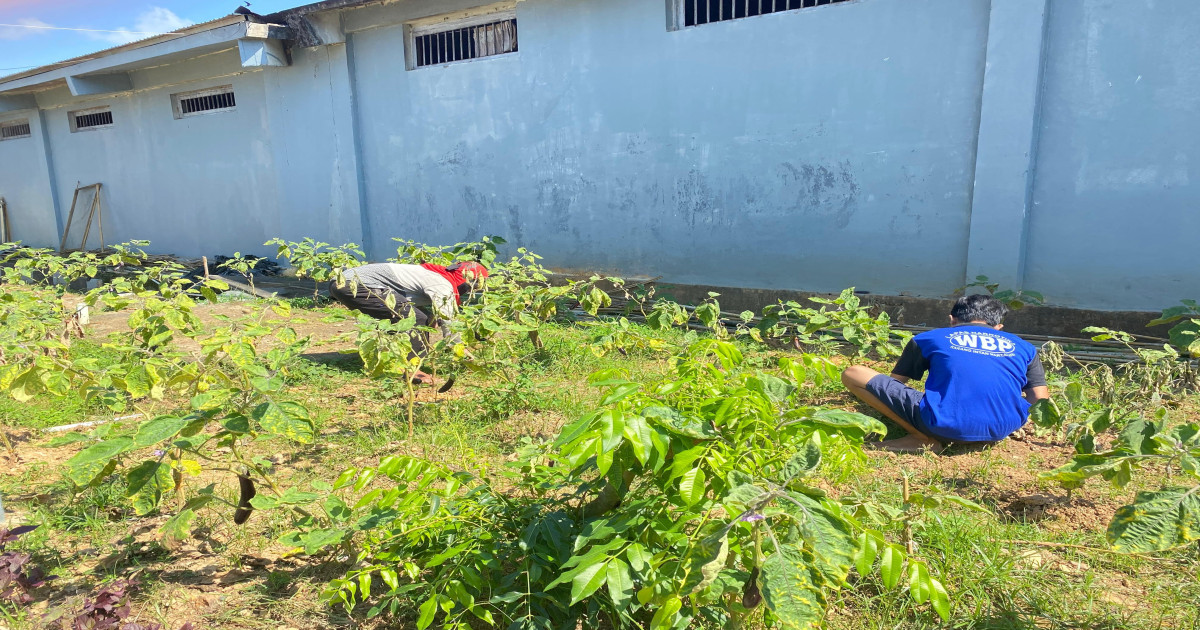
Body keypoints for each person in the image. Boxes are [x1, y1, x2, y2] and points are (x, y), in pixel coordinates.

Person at [841, 294, 1049, 454]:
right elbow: (1040, 398)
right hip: (1002, 429)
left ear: (952, 320)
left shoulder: (929, 338)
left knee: (854, 373)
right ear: (998, 327)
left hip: (943, 425)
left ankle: (921, 438)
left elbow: (894, 383)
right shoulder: (1025, 347)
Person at [329, 261, 488, 384]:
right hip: (354, 284)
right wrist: (459, 346)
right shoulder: (442, 283)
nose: (467, 292)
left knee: (418, 317)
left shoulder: (434, 273)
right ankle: (412, 370)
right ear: (465, 280)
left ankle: (390, 359)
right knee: (416, 319)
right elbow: (447, 318)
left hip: (344, 282)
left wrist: (431, 320)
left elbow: (431, 312)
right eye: (470, 288)